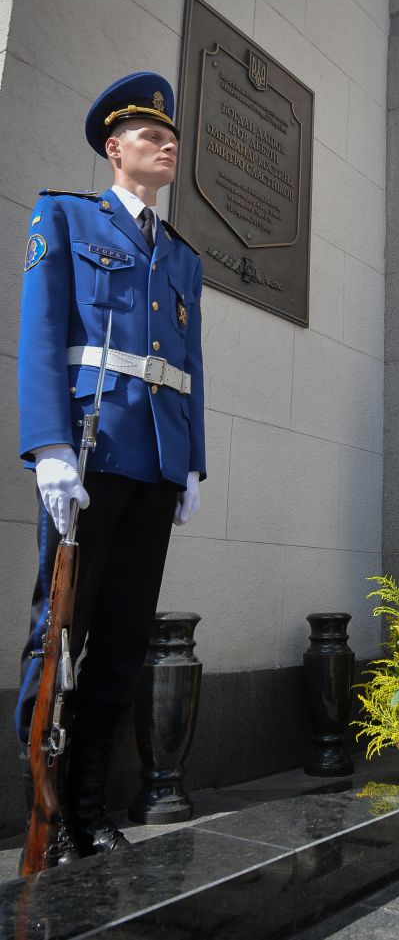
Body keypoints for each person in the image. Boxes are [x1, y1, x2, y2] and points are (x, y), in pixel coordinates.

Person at [16, 72, 206, 863]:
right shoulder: (65, 216)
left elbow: (191, 362)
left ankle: (88, 810)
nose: (164, 141)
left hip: (157, 462)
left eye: (169, 133)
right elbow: (40, 331)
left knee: (124, 642)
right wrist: (49, 447)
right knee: (61, 632)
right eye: (146, 132)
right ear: (113, 147)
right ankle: (44, 807)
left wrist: (193, 461)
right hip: (91, 456)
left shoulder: (182, 256)